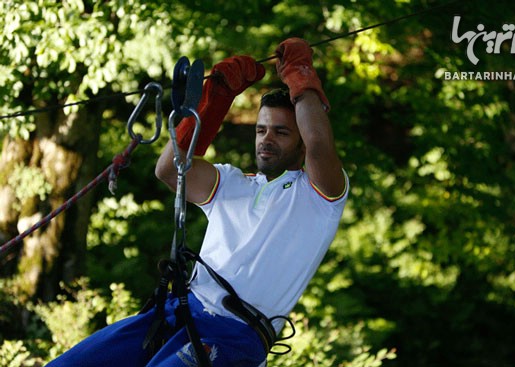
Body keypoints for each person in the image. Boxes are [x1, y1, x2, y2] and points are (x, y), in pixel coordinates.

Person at [46, 37, 348, 367]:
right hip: (179, 310)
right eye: (261, 130)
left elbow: (320, 145)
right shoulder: (235, 183)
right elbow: (170, 170)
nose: (266, 139)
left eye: (281, 132)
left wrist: (300, 78)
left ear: (301, 140)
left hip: (234, 335)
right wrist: (215, 99)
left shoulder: (319, 198)